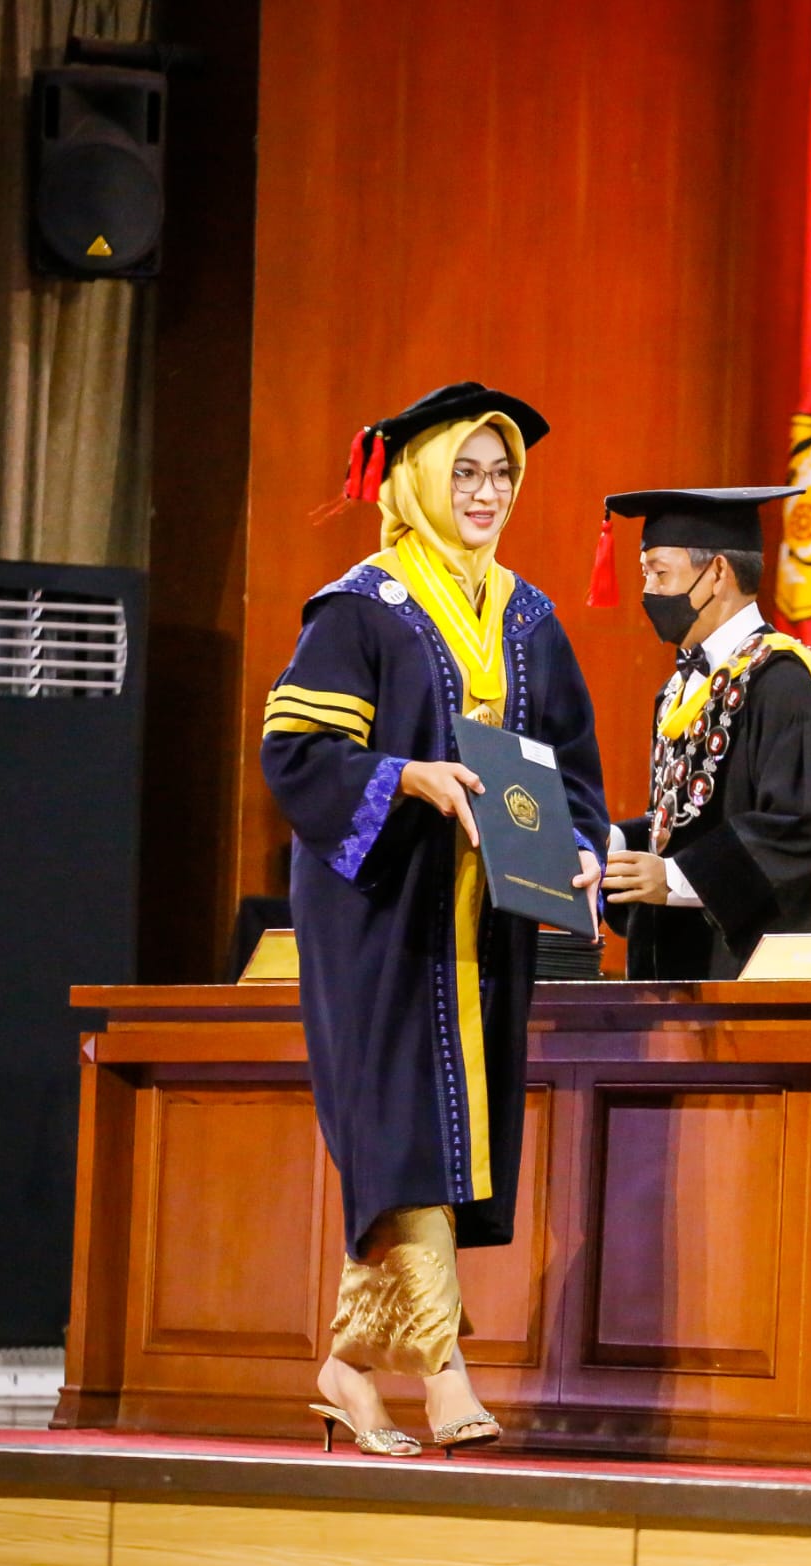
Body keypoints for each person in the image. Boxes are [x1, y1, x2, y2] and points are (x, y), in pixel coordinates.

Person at [261, 383, 608, 1455]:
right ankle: (445, 1371)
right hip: (381, 913)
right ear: (415, 478)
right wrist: (402, 777)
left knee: (449, 1140)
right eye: (465, 470)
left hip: (485, 923)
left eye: (501, 474)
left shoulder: (529, 615)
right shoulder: (359, 607)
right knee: (405, 1132)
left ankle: (345, 1370)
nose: (487, 492)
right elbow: (297, 754)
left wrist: (583, 845)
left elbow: (569, 767)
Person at [599, 487, 811, 980]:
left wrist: (675, 876)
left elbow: (798, 826)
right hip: (669, 979)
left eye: (660, 573)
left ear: (716, 573)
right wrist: (614, 841)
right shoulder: (679, 689)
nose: (648, 592)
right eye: (645, 574)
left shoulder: (785, 680)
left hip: (746, 980)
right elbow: (691, 816)